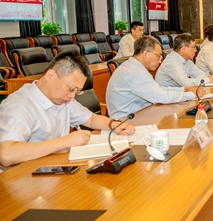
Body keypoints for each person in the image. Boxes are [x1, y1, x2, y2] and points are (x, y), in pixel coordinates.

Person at [0, 52, 135, 167]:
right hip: (23, 177)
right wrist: (65, 142)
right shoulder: (19, 106)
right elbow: (6, 155)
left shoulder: (63, 100)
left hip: (53, 167)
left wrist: (113, 124)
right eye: (71, 89)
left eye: (77, 91)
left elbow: (91, 119)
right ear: (50, 76)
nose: (72, 96)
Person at [106, 36, 202, 119]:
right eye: (158, 56)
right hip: (127, 122)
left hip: (141, 116)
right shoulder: (134, 72)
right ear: (145, 54)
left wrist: (184, 90)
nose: (160, 61)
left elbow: (157, 89)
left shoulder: (133, 67)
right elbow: (161, 96)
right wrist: (191, 95)